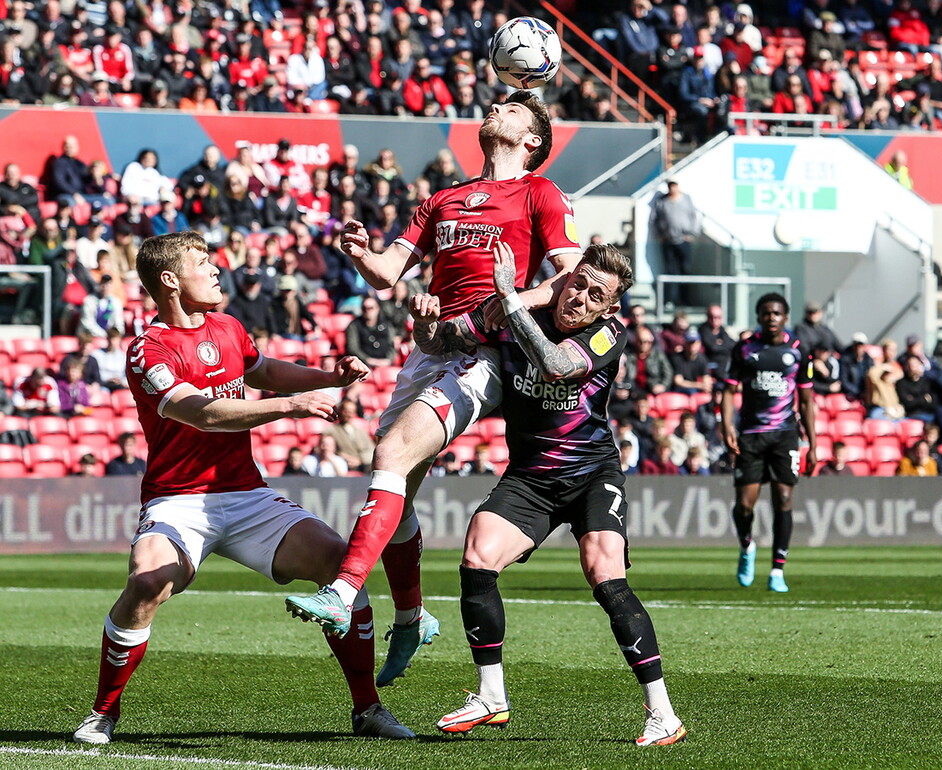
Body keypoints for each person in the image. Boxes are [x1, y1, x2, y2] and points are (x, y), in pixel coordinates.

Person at [284, 91, 583, 690]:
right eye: (497, 103)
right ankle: (413, 616)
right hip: (428, 348)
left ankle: (344, 590)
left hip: (484, 353)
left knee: (391, 452)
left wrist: (508, 305)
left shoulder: (538, 193)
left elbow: (571, 278)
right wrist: (363, 254)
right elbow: (388, 275)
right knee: (398, 490)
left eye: (513, 108)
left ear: (532, 140)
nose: (496, 108)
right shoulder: (441, 200)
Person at [72, 231, 412, 746]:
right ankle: (103, 712)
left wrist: (327, 378)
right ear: (169, 280)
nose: (215, 270)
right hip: (178, 500)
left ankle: (367, 709)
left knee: (340, 566)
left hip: (246, 495)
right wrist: (286, 406)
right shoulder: (148, 349)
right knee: (146, 583)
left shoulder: (228, 326)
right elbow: (204, 414)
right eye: (202, 262)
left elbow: (264, 370)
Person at [407, 241, 685, 746]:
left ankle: (663, 712)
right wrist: (424, 320)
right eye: (578, 282)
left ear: (609, 307)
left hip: (590, 475)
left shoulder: (608, 335)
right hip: (531, 477)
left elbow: (556, 364)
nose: (580, 296)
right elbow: (440, 343)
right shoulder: (510, 313)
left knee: (604, 574)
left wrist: (512, 299)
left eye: (595, 294)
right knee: (477, 556)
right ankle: (492, 696)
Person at [722, 293, 817, 594]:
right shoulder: (745, 348)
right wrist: (727, 427)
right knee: (744, 506)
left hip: (785, 435)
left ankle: (777, 569)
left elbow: (807, 400)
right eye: (766, 313)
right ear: (759, 316)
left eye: (777, 313)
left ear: (785, 317)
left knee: (784, 500)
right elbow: (728, 391)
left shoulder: (799, 350)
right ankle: (747, 546)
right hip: (750, 435)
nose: (772, 317)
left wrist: (813, 443)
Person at [650, 179, 701, 308]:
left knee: (685, 270)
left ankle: (685, 300)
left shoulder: (686, 199)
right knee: (670, 271)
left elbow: (695, 217)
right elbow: (654, 219)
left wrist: (692, 234)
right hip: (668, 240)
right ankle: (669, 300)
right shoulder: (662, 201)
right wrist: (660, 235)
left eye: (674, 185)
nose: (672, 188)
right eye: (669, 186)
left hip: (684, 241)